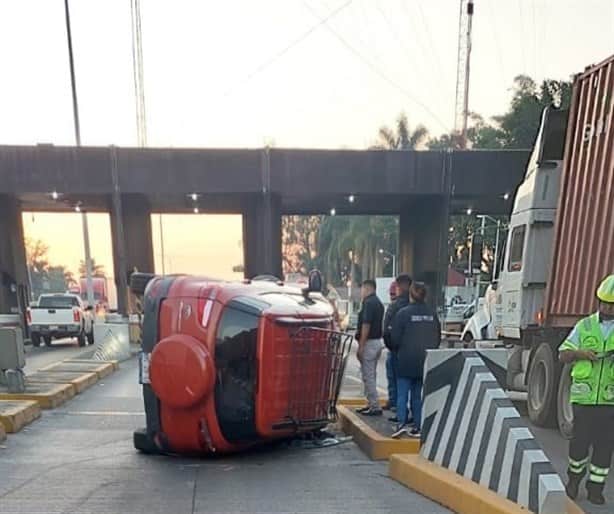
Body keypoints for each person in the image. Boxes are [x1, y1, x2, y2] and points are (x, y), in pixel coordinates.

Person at [559, 275, 614, 506]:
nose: (607, 307)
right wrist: (582, 353)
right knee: (579, 444)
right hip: (583, 400)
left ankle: (595, 489)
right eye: (604, 303)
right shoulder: (585, 326)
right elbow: (562, 354)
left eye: (611, 304)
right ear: (598, 301)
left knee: (604, 447)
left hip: (609, 400)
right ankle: (573, 480)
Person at [390, 282, 441, 438]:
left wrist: (397, 350)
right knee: (418, 395)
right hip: (423, 359)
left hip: (405, 359)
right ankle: (418, 426)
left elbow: (395, 338)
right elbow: (437, 337)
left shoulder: (403, 314)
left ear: (411, 294)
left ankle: (401, 424)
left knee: (402, 394)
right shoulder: (432, 314)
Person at [383, 275, 412, 417]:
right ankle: (413, 413)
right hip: (412, 351)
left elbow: (386, 330)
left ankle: (398, 410)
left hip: (396, 350)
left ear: (399, 287)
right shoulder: (413, 305)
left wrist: (391, 346)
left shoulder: (394, 307)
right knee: (414, 385)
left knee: (397, 380)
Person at [355, 279, 385, 416]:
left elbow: (366, 325)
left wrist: (361, 346)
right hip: (377, 341)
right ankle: (370, 403)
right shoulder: (378, 302)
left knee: (368, 376)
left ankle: (374, 406)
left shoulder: (368, 303)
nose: (361, 292)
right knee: (371, 374)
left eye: (362, 289)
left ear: (367, 288)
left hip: (370, 342)